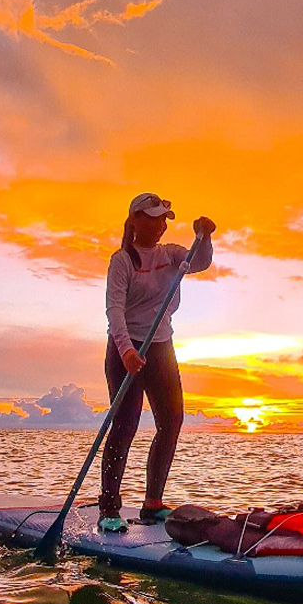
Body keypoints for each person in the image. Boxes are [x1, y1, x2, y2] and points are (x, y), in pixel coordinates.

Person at [99, 192, 216, 533]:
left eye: (164, 218)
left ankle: (153, 504)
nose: (160, 224)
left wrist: (205, 237)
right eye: (152, 217)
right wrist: (127, 352)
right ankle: (109, 508)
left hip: (161, 347)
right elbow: (114, 312)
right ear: (134, 220)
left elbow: (201, 262)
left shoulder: (173, 254)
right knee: (124, 426)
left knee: (172, 421)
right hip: (126, 349)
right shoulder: (122, 260)